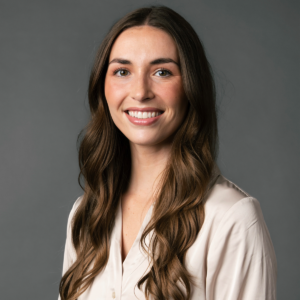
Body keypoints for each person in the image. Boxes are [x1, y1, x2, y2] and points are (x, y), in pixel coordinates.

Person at [58, 5, 277, 300]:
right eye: (122, 71)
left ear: (190, 87)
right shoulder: (87, 215)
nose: (140, 91)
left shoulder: (232, 219)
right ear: (103, 88)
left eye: (162, 72)